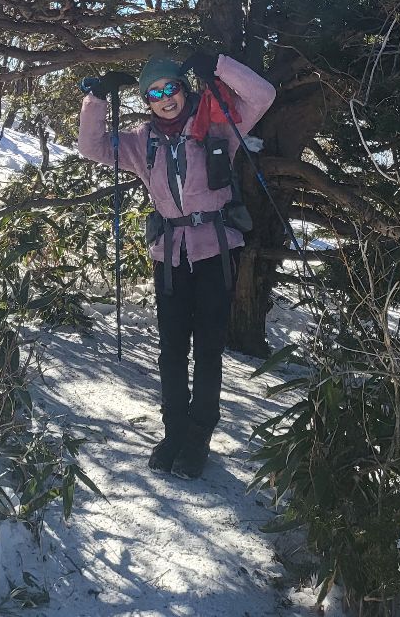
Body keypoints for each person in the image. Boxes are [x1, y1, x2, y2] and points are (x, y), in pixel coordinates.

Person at [78, 48, 276, 479]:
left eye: (170, 88)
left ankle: (198, 436)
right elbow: (91, 146)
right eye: (154, 93)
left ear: (183, 89)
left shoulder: (216, 123)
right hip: (169, 255)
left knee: (208, 348)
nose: (165, 98)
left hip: (215, 250)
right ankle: (174, 433)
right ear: (146, 102)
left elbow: (263, 96)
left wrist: (218, 64)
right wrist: (96, 99)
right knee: (171, 350)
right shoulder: (140, 142)